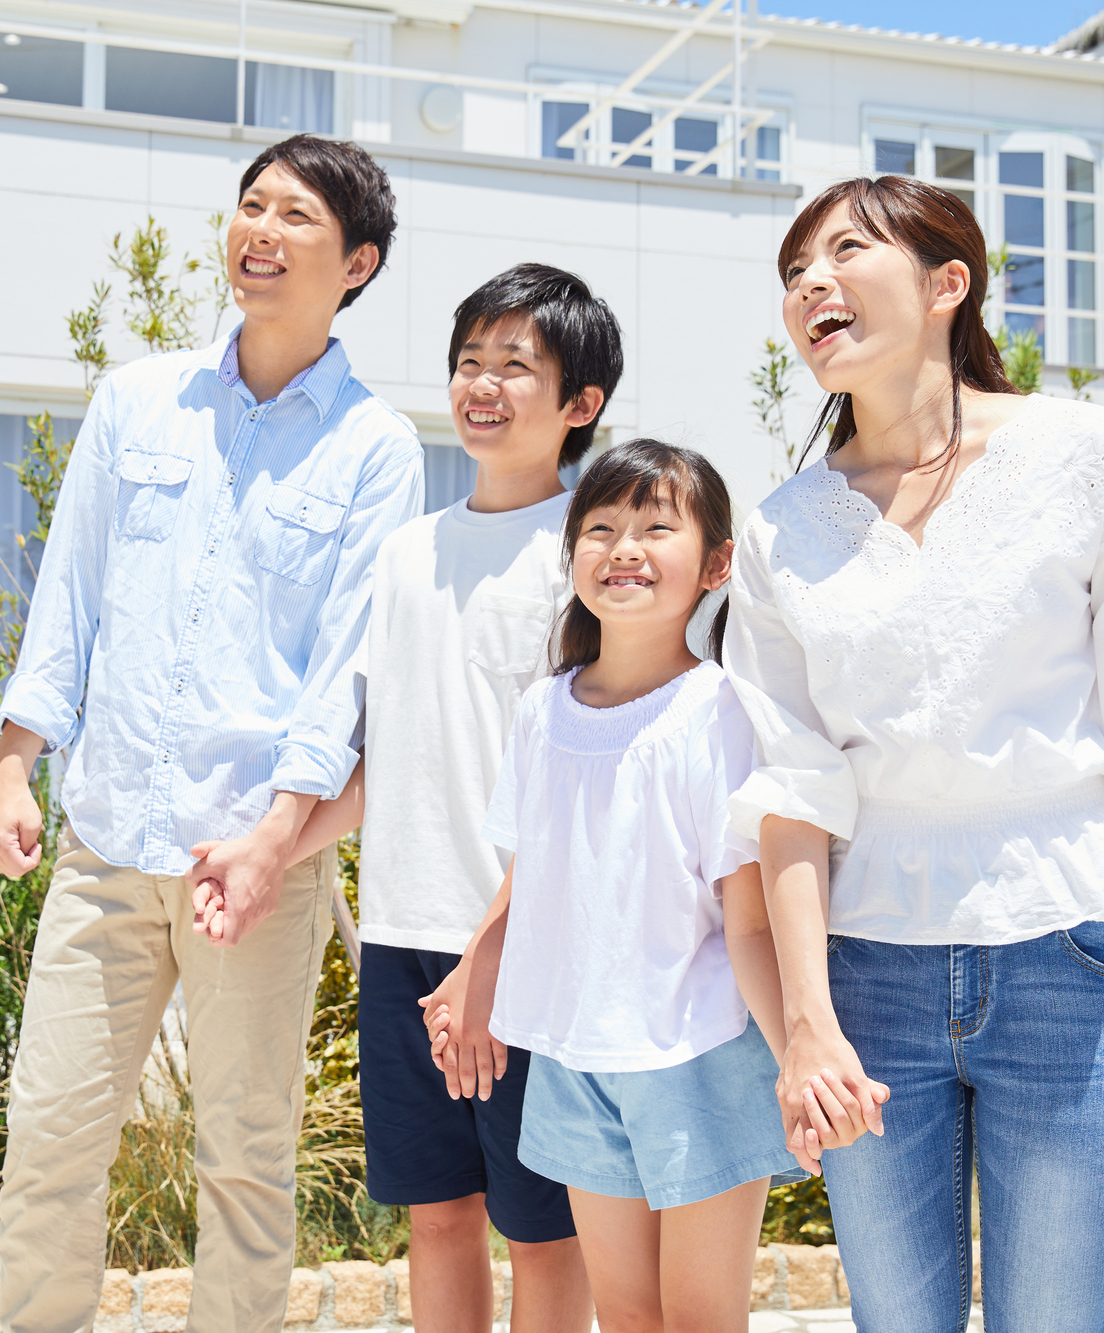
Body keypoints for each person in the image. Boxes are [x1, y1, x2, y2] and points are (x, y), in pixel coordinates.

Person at [725, 174, 1104, 1332]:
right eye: (792, 272)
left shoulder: (1088, 453)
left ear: (946, 283)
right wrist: (805, 1020)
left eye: (844, 251)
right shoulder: (781, 528)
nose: (810, 282)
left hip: (1066, 953)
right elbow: (788, 791)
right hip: (866, 979)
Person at [0, 134, 425, 1333]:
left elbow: (344, 670)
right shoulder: (136, 400)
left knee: (244, 1158)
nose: (260, 232)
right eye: (250, 206)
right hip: (108, 838)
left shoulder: (376, 450)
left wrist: (279, 835)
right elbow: (65, 594)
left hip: (257, 863)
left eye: (296, 217)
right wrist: (14, 761)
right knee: (50, 1136)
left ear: (357, 264)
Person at [226, 263, 622, 1333]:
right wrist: (269, 848)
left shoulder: (585, 562)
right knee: (437, 1216)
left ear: (580, 405)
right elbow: (383, 763)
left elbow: (579, 789)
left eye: (514, 366)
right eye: (467, 363)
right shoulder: (402, 554)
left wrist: (489, 956)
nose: (481, 385)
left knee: (542, 1230)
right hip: (403, 939)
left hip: (528, 945)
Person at [426, 440, 805, 1333]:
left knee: (701, 1317)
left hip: (698, 1054)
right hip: (576, 1055)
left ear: (715, 563)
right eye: (600, 528)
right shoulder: (541, 709)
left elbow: (748, 924)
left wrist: (798, 1059)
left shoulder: (719, 712)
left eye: (655, 527)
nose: (624, 547)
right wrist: (477, 975)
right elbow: (531, 876)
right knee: (627, 1313)